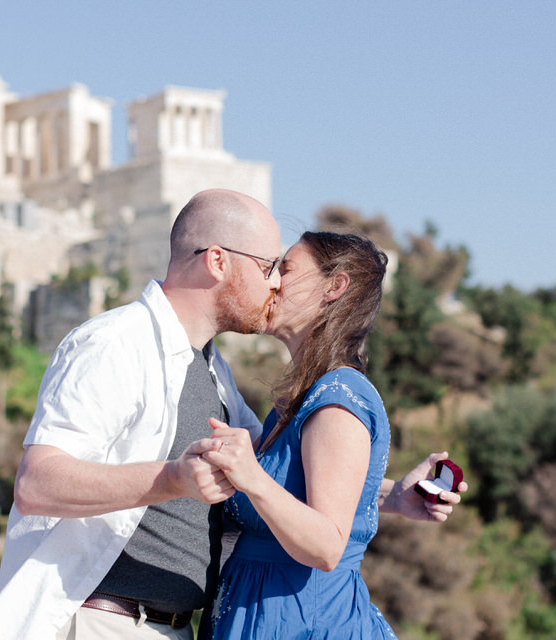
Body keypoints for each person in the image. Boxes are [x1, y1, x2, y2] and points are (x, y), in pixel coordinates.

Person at [0, 188, 283, 640]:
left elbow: (273, 460)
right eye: (268, 266)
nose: (276, 284)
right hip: (103, 623)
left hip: (169, 628)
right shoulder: (115, 342)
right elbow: (37, 484)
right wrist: (173, 478)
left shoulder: (213, 370)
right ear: (218, 261)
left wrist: (390, 498)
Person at [197, 231, 467, 639]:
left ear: (334, 287)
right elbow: (307, 490)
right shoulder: (304, 399)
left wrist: (250, 477)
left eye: (284, 268)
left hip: (305, 622)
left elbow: (327, 546)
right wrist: (389, 496)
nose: (272, 281)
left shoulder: (337, 399)